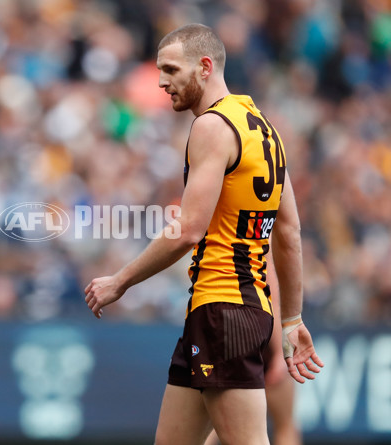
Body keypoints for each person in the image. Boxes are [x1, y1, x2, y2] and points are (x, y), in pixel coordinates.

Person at [84, 24, 324, 445]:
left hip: (223, 311)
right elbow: (289, 231)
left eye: (171, 69)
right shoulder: (264, 128)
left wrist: (119, 281)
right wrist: (291, 319)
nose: (161, 81)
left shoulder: (212, 127)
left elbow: (188, 230)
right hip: (238, 311)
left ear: (205, 67)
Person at [205, 253, 303, 445]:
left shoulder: (220, 246)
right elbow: (272, 299)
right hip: (260, 336)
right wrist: (280, 352)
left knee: (211, 424)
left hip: (228, 334)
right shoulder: (259, 245)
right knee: (285, 424)